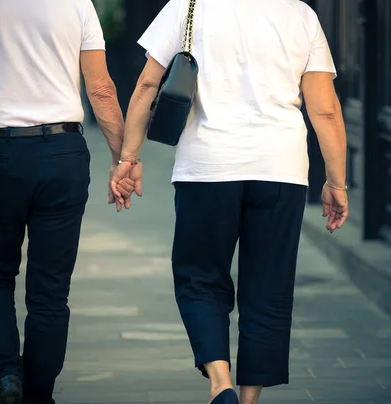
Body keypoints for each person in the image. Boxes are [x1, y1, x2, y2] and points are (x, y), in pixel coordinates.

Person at [112, 0, 348, 403]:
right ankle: (249, 398)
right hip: (280, 169)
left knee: (200, 277)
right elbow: (324, 110)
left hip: (207, 167)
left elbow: (147, 85)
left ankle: (220, 384)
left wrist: (129, 158)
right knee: (269, 287)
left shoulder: (187, 7)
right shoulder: (301, 15)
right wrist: (336, 182)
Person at [0, 0, 130, 402]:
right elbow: (101, 88)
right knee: (51, 288)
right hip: (63, 152)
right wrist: (122, 159)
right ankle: (38, 393)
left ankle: (6, 379)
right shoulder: (77, 3)